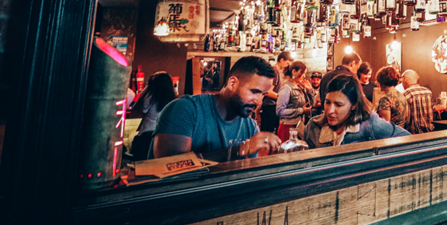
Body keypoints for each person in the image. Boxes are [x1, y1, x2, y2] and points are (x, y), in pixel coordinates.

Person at [152, 56, 281, 159]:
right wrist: (240, 150)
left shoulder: (250, 126)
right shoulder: (185, 109)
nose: (259, 102)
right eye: (254, 92)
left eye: (263, 95)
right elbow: (168, 165)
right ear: (232, 83)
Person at [304, 75, 409, 148]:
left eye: (338, 105)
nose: (330, 111)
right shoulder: (313, 126)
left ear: (353, 105)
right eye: (327, 102)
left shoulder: (369, 123)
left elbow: (407, 139)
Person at [130, 72, 176, 160]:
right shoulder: (173, 100)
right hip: (163, 137)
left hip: (145, 136)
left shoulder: (151, 98)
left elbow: (139, 110)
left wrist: (146, 90)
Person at [275, 61, 314, 141]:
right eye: (302, 73)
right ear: (294, 71)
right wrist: (301, 110)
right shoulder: (286, 88)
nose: (304, 76)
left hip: (299, 126)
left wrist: (309, 90)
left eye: (305, 73)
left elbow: (311, 104)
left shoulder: (300, 87)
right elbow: (280, 111)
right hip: (288, 127)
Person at [401, 69, 433, 134]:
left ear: (405, 79)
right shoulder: (428, 92)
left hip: (413, 133)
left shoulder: (406, 94)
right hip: (429, 131)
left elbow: (406, 118)